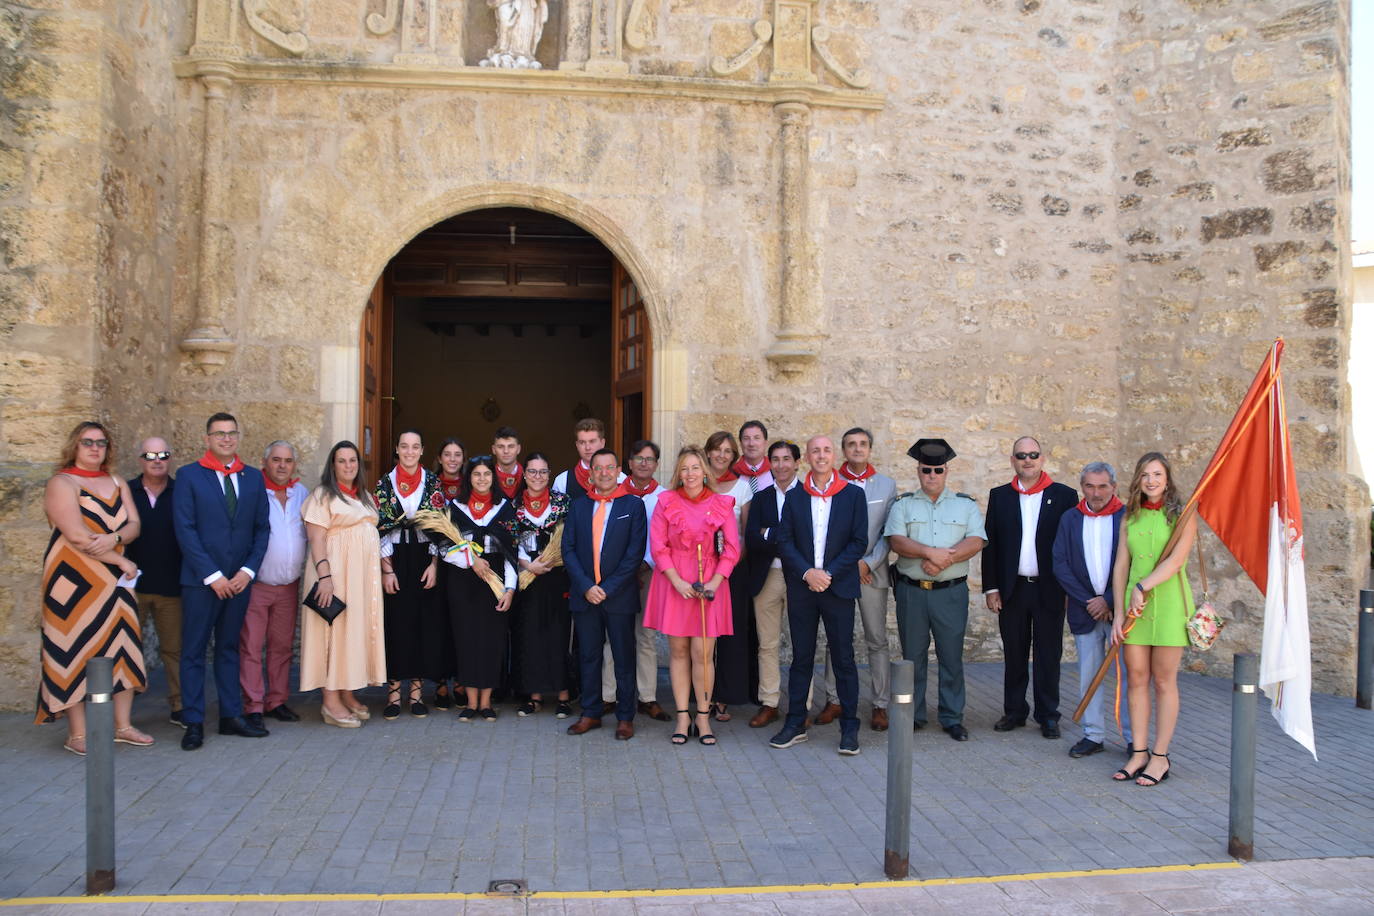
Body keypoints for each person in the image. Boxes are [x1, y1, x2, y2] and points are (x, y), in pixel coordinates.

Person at [37, 422, 153, 754]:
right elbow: (75, 535)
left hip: (114, 583)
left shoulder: (116, 481)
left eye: (101, 443)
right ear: (75, 445)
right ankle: (78, 734)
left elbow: (134, 525)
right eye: (87, 442)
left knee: (124, 647)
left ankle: (123, 725)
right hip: (73, 581)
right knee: (73, 648)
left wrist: (115, 540)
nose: (94, 448)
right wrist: (120, 560)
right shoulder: (62, 482)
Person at [173, 412, 271, 751]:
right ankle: (194, 721)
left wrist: (247, 572)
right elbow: (184, 530)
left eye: (231, 433)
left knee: (230, 649)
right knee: (194, 652)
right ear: (208, 439)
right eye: (219, 434)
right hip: (202, 582)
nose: (226, 439)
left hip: (240, 581)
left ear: (238, 437)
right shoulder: (189, 476)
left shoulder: (254, 478)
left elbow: (262, 529)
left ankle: (231, 716)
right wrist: (213, 576)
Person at [767, 435, 868, 756]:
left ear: (833, 455)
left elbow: (858, 541)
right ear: (807, 458)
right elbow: (785, 541)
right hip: (803, 588)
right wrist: (808, 573)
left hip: (837, 588)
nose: (821, 456)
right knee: (801, 657)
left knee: (843, 658)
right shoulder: (795, 497)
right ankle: (796, 722)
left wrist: (828, 573)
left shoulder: (852, 495)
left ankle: (849, 726)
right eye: (815, 451)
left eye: (826, 450)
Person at [883, 439, 986, 741]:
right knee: (912, 655)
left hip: (950, 593)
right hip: (912, 592)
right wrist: (930, 553)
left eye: (937, 470)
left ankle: (952, 717)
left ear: (946, 471)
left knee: (951, 656)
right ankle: (912, 715)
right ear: (918, 470)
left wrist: (944, 559)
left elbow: (976, 541)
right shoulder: (903, 504)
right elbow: (896, 541)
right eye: (926, 470)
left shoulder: (965, 505)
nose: (931, 475)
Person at [983, 436, 1078, 739]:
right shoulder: (1000, 496)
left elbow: (1072, 546)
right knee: (1014, 653)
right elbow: (991, 545)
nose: (1027, 460)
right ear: (1013, 460)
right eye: (1021, 455)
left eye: (1033, 454)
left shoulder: (1064, 496)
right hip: (1013, 589)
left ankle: (1048, 715)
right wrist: (991, 588)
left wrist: (1070, 590)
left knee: (1048, 654)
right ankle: (1014, 711)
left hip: (1050, 588)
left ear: (1043, 458)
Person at [644, 446, 739, 745]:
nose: (690, 474)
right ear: (678, 473)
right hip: (675, 583)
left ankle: (703, 716)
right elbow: (659, 546)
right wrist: (676, 581)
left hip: (710, 585)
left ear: (705, 471)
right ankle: (683, 716)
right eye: (685, 468)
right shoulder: (666, 502)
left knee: (703, 653)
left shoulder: (721, 503)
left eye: (695, 467)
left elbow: (732, 550)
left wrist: (713, 582)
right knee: (680, 652)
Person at [1111, 452, 1196, 787]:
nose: (1151, 480)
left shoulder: (1183, 514)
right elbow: (1121, 566)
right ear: (1138, 479)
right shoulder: (1129, 516)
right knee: (1136, 678)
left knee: (1163, 682)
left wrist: (1144, 586)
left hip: (1169, 604)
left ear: (1167, 478)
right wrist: (1118, 612)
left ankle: (1160, 757)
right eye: (1145, 474)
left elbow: (1176, 562)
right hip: (1134, 608)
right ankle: (1139, 752)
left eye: (1157, 474)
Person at [813, 427, 897, 732]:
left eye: (863, 444)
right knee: (837, 639)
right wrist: (844, 566)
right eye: (851, 444)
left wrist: (868, 563)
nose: (857, 449)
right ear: (843, 450)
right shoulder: (832, 483)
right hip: (839, 574)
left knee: (876, 639)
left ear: (870, 449)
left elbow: (889, 532)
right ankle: (834, 699)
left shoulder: (886, 486)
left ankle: (880, 704)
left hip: (871, 574)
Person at [301, 441, 387, 727]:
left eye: (353, 461)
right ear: (333, 465)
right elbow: (316, 538)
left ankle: (347, 691)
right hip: (334, 575)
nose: (348, 466)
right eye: (342, 461)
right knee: (333, 632)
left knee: (350, 632)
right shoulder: (323, 495)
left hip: (359, 578)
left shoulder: (364, 496)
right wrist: (325, 578)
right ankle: (330, 701)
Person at [562, 449, 647, 739]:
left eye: (610, 468)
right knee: (588, 656)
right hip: (585, 596)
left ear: (618, 470)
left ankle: (625, 717)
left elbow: (634, 554)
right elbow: (568, 550)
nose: (604, 473)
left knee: (623, 658)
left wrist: (607, 589)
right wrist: (587, 586)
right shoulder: (579, 506)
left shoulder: (633, 506)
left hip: (618, 596)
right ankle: (591, 713)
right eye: (598, 468)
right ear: (591, 472)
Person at [1051, 461, 1131, 758]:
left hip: (1121, 610)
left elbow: (1134, 564)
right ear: (1082, 487)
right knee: (1089, 675)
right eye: (1089, 486)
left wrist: (1109, 600)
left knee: (1128, 678)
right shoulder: (1070, 519)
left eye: (1102, 486)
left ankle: (1133, 739)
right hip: (1085, 611)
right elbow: (1060, 563)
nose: (1096, 493)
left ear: (1114, 487)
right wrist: (1090, 601)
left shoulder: (1127, 518)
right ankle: (1093, 734)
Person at [376, 429, 449, 720]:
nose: (409, 451)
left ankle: (416, 692)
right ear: (397, 450)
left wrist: (434, 564)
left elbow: (440, 527)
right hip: (394, 558)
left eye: (415, 447)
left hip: (423, 557)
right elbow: (378, 527)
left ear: (421, 451)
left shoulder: (432, 483)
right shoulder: (385, 483)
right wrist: (386, 569)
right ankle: (394, 693)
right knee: (396, 623)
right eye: (404, 446)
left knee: (421, 623)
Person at [441, 456, 518, 722]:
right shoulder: (455, 508)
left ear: (493, 478)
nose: (482, 479)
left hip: (494, 581)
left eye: (487, 474)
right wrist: (471, 560)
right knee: (466, 640)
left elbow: (511, 553)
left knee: (491, 641)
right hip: (463, 580)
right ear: (468, 478)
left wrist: (509, 590)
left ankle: (486, 702)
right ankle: (470, 702)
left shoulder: (505, 509)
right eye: (476, 474)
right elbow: (442, 548)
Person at [239, 441, 308, 729]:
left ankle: (277, 701)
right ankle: (253, 705)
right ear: (265, 462)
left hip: (289, 585)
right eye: (277, 460)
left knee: (281, 647)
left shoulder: (301, 493)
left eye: (288, 461)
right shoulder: (253, 490)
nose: (282, 466)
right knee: (252, 647)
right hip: (258, 584)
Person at [509, 453, 573, 718]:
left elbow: (572, 537)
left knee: (558, 635)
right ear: (524, 476)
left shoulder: (563, 503)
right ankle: (533, 695)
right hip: (529, 578)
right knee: (531, 634)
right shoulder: (513, 505)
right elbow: (508, 542)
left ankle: (563, 695)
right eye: (533, 472)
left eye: (543, 472)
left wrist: (553, 560)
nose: (538, 477)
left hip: (557, 576)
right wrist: (527, 565)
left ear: (549, 475)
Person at [126, 436, 184, 727]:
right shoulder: (127, 491)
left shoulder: (180, 492)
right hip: (130, 587)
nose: (157, 460)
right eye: (150, 455)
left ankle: (179, 704)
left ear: (170, 458)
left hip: (170, 587)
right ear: (141, 460)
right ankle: (120, 710)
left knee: (173, 649)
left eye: (163, 454)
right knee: (125, 647)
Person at [742, 440, 800, 728]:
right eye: (775, 459)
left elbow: (809, 537)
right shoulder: (763, 496)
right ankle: (770, 702)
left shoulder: (808, 494)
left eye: (786, 459)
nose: (780, 465)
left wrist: (772, 535)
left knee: (803, 644)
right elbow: (752, 537)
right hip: (768, 576)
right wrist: (784, 538)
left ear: (796, 463)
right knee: (767, 644)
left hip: (799, 576)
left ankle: (801, 706)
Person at [614, 438, 671, 722]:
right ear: (629, 463)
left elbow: (664, 536)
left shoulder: (664, 496)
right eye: (638, 458)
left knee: (645, 635)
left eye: (649, 459)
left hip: (650, 571)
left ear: (656, 465)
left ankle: (647, 696)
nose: (644, 463)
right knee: (613, 635)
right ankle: (608, 695)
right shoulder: (614, 493)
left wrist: (646, 563)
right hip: (615, 574)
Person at [703, 429, 756, 721]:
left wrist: (730, 565)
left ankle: (723, 695)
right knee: (701, 633)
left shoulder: (743, 486)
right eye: (717, 449)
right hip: (699, 571)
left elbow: (746, 532)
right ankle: (702, 695)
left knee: (728, 634)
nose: (722, 455)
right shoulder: (698, 482)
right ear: (708, 452)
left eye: (727, 451)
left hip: (731, 572)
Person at [431, 437, 466, 709]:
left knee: (461, 622)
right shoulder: (430, 486)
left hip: (467, 562)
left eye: (457, 455)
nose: (452, 459)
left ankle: (463, 681)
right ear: (440, 458)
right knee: (440, 622)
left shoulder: (471, 484)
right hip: (437, 562)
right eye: (447, 454)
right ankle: (441, 682)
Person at [552, 418, 623, 502]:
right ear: (577, 445)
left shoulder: (620, 478)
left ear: (602, 443)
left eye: (592, 441)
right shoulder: (562, 481)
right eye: (582, 442)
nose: (587, 447)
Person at [732, 420, 774, 493]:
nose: (751, 444)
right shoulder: (732, 473)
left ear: (765, 442)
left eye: (757, 438)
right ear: (741, 443)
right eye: (746, 438)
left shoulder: (775, 472)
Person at [492, 426, 524, 501]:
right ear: (493, 449)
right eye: (500, 447)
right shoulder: (487, 479)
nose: (506, 451)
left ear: (518, 449)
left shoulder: (529, 477)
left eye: (511, 446)